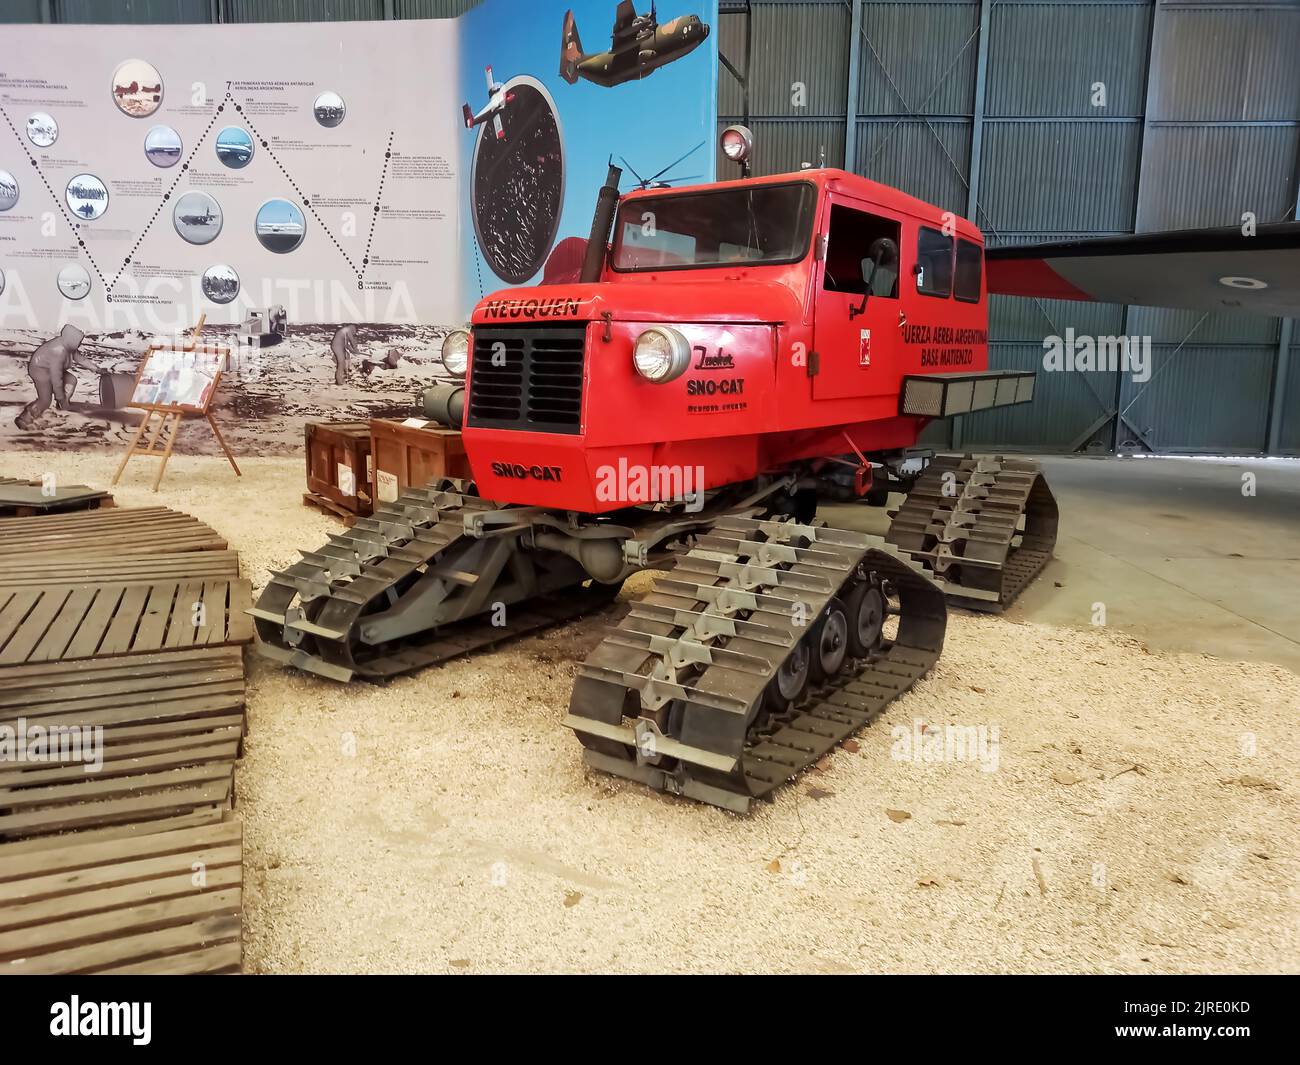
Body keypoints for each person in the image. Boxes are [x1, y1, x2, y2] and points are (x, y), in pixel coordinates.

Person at [15, 324, 95, 430]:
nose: (79, 344)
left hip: (50, 369)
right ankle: (24, 419)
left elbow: (80, 359)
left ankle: (62, 406)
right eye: (78, 342)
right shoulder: (58, 351)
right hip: (40, 371)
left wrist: (97, 369)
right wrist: (60, 397)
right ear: (72, 340)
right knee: (45, 400)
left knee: (71, 380)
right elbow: (56, 378)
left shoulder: (68, 346)